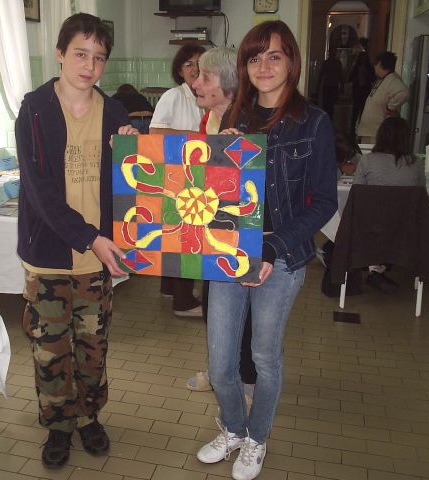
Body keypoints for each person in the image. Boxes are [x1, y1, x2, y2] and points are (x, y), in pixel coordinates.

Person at [195, 21, 337, 480]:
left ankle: (257, 438)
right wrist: (132, 145)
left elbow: (325, 202)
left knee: (263, 358)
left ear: (292, 62)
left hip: (283, 257)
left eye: (274, 56)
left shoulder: (314, 123)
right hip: (231, 253)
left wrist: (273, 247)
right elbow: (211, 192)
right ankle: (234, 428)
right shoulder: (236, 118)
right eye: (255, 57)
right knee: (221, 363)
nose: (264, 66)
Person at [14, 13, 138, 469]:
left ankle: (88, 417)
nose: (90, 66)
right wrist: (91, 238)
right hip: (49, 256)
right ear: (60, 54)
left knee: (92, 347)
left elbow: (132, 188)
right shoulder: (35, 109)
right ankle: (58, 425)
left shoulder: (116, 112)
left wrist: (132, 151)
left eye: (99, 58)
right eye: (81, 54)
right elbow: (41, 192)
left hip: (96, 260)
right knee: (50, 350)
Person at [184, 47, 255, 401]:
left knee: (244, 313)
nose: (195, 83)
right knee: (214, 308)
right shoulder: (209, 119)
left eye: (205, 77)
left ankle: (247, 381)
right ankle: (219, 371)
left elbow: (254, 179)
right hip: (212, 226)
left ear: (228, 85)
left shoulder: (248, 120)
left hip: (241, 231)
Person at [150, 43, 206, 317]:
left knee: (176, 230)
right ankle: (184, 302)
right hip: (176, 172)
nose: (195, 69)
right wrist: (194, 136)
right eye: (189, 64)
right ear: (179, 70)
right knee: (186, 235)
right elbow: (154, 132)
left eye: (200, 63)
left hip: (194, 172)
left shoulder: (204, 96)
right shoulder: (173, 96)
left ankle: (170, 288)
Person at [353, 116, 425, 294]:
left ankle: (374, 268)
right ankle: (381, 268)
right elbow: (421, 197)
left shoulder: (367, 161)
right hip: (403, 230)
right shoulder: (416, 164)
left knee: (366, 219)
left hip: (370, 229)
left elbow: (357, 195)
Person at [356, 51, 409, 144]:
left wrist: (390, 107)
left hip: (376, 131)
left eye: (376, 64)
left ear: (380, 64)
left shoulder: (392, 79)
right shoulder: (383, 79)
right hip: (369, 130)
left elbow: (404, 93)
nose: (374, 67)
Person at [348, 38, 375, 138]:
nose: (363, 60)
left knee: (364, 111)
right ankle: (352, 129)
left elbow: (373, 78)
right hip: (358, 91)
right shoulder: (356, 68)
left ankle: (361, 128)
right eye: (362, 58)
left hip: (365, 91)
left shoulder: (369, 68)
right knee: (355, 111)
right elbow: (350, 78)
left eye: (365, 58)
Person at [316, 47, 343, 119]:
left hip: (333, 86)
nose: (332, 54)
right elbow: (321, 75)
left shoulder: (337, 63)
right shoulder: (326, 63)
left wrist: (342, 86)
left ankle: (329, 119)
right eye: (331, 52)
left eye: (334, 52)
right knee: (326, 104)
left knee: (331, 105)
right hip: (328, 85)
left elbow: (340, 76)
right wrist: (318, 86)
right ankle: (326, 119)